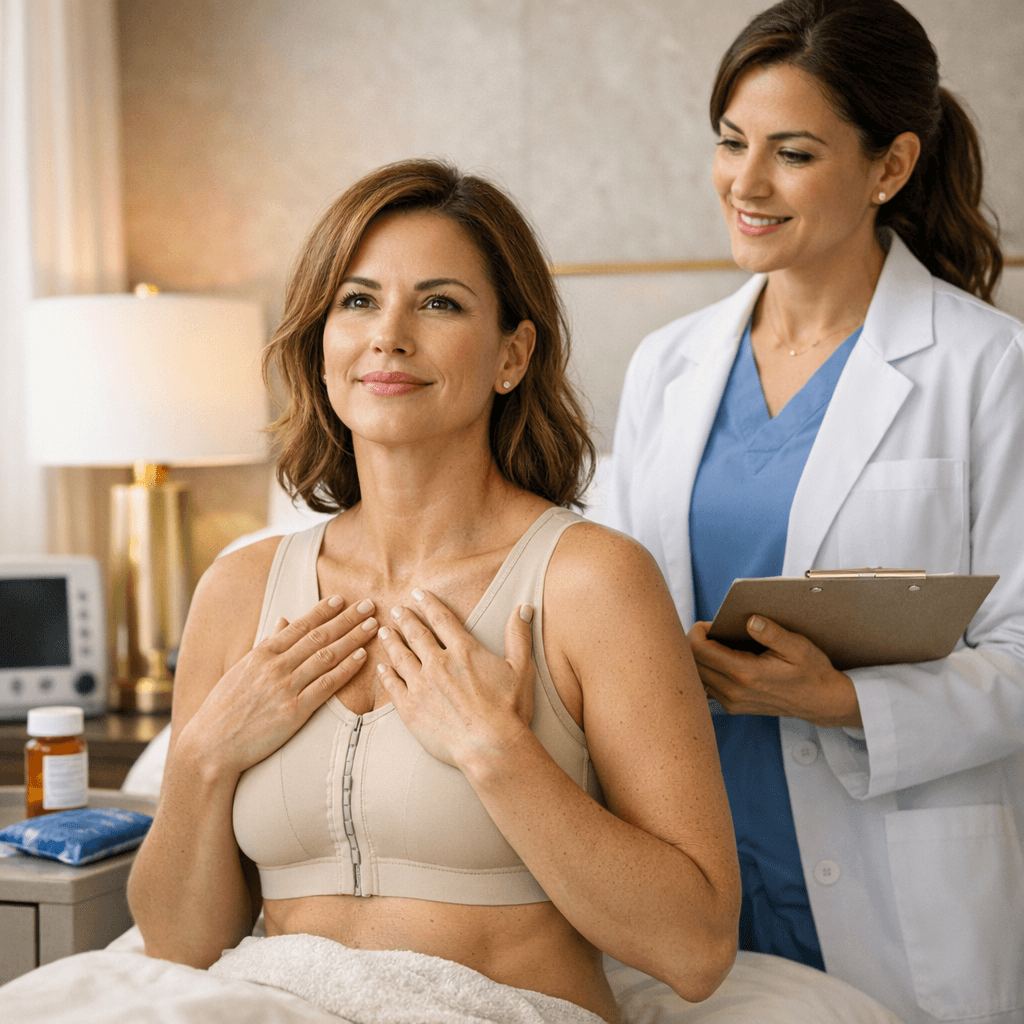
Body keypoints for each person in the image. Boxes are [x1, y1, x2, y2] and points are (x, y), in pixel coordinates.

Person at [126, 159, 741, 1024]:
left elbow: (698, 949)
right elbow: (177, 942)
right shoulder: (239, 587)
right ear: (322, 343)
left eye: (440, 302)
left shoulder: (591, 582)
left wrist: (499, 753)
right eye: (358, 300)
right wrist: (202, 757)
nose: (389, 335)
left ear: (511, 355)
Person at [603, 2, 1024, 1023]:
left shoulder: (986, 369)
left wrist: (842, 700)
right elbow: (612, 602)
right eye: (731, 142)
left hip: (898, 891)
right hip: (694, 868)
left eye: (791, 153)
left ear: (889, 167)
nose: (744, 184)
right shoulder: (667, 366)